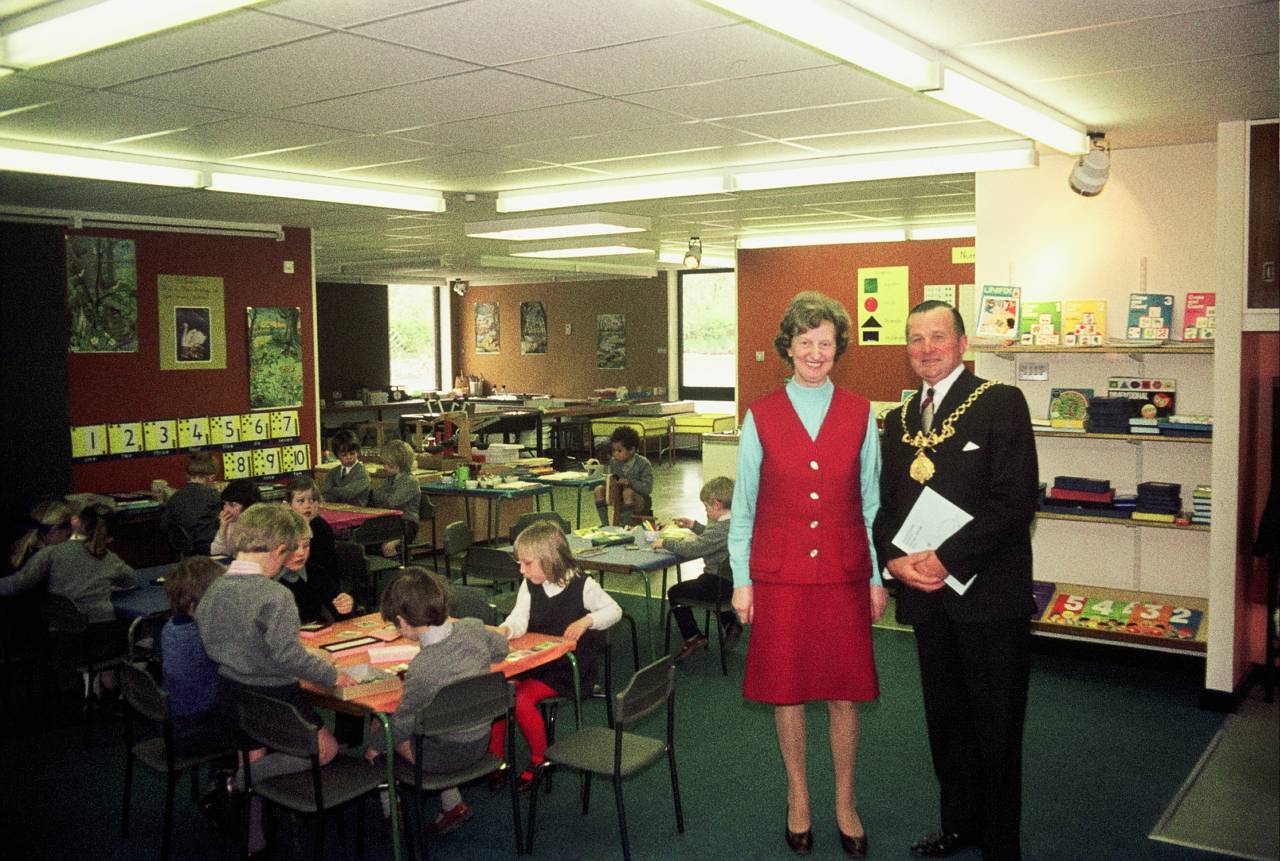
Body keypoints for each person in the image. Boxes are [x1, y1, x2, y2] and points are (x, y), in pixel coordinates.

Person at [872, 300, 1039, 861]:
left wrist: (947, 559)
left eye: (938, 336)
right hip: (926, 601)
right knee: (946, 723)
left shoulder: (1000, 403)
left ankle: (1002, 845)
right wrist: (892, 560)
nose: (926, 349)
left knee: (996, 727)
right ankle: (958, 824)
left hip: (989, 599)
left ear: (962, 343)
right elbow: (886, 505)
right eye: (915, 339)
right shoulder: (895, 421)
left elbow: (1014, 500)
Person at [727, 291, 885, 858]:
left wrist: (875, 578)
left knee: (845, 695)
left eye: (826, 343)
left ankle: (845, 801)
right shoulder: (760, 415)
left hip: (844, 573)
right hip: (780, 576)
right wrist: (741, 580)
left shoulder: (863, 413)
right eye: (805, 342)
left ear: (838, 348)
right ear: (787, 348)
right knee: (787, 693)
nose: (816, 353)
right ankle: (799, 797)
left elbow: (871, 505)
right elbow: (742, 508)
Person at [194, 504, 355, 856]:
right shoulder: (275, 595)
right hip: (276, 694)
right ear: (279, 551)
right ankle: (238, 783)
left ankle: (255, 841)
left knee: (251, 756)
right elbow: (289, 656)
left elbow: (206, 636)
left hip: (233, 692)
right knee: (325, 750)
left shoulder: (216, 586)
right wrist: (331, 673)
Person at [367, 568, 509, 835]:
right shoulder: (472, 627)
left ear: (403, 621)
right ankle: (453, 804)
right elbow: (501, 649)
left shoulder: (422, 668)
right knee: (438, 720)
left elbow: (402, 725)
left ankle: (391, 808)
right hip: (480, 743)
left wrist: (373, 748)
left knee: (381, 723)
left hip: (442, 757)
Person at [493, 520, 621, 789]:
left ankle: (540, 760)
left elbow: (614, 611)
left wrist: (587, 621)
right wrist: (507, 628)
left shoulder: (582, 585)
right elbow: (519, 617)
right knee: (499, 691)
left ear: (549, 560)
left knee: (522, 699)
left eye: (527, 563)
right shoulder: (530, 585)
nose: (521, 569)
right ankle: (497, 760)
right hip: (539, 659)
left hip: (569, 667)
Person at [0, 501, 136, 622]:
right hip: (97, 633)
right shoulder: (109, 559)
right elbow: (130, 579)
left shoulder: (41, 553)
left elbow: (17, 583)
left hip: (60, 635)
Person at [656, 476, 741, 661]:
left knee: (675, 593)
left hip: (718, 583)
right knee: (705, 585)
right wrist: (694, 526)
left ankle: (693, 636)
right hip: (734, 583)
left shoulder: (720, 529)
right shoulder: (735, 523)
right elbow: (713, 540)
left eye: (707, 507)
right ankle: (730, 623)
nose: (707, 511)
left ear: (717, 505)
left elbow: (694, 549)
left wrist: (665, 542)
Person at [160, 555, 227, 756]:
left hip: (175, 725)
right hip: (196, 731)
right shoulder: (204, 635)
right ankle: (235, 780)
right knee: (262, 723)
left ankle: (225, 776)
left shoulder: (171, 627)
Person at [280, 475, 353, 622]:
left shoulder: (321, 528)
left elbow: (328, 574)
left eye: (312, 500)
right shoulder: (283, 529)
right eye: (301, 501)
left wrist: (344, 601)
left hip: (322, 586)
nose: (308, 505)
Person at [161, 451, 222, 555]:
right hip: (209, 547)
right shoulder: (213, 495)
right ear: (211, 477)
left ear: (188, 475)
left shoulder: (175, 497)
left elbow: (164, 525)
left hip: (186, 549)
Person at [592, 425, 654, 526]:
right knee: (598, 489)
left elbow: (647, 489)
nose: (615, 454)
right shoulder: (614, 462)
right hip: (619, 497)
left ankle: (625, 526)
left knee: (628, 492)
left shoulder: (643, 463)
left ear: (632, 450)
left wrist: (629, 482)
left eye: (619, 451)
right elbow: (612, 480)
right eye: (613, 450)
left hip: (641, 502)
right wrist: (609, 482)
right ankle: (605, 525)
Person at [371, 439, 421, 558]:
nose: (384, 467)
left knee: (387, 546)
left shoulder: (410, 481)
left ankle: (399, 566)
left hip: (407, 523)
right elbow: (375, 496)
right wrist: (385, 497)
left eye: (388, 465)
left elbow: (392, 502)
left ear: (397, 466)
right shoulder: (389, 479)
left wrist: (384, 497)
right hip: (389, 521)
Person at [9, 500, 73, 571]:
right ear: (52, 530)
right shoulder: (45, 562)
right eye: (67, 526)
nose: (70, 531)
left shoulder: (26, 552)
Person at [208, 479, 261, 557]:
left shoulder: (260, 526)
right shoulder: (230, 523)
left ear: (248, 506)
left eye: (232, 505)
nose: (226, 509)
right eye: (225, 504)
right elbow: (216, 553)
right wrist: (222, 529)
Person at [323, 429, 371, 506]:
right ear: (337, 455)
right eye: (344, 455)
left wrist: (332, 490)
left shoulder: (362, 472)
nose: (349, 457)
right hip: (335, 510)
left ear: (358, 452)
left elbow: (348, 493)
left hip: (356, 512)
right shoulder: (332, 472)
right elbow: (325, 494)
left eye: (352, 453)